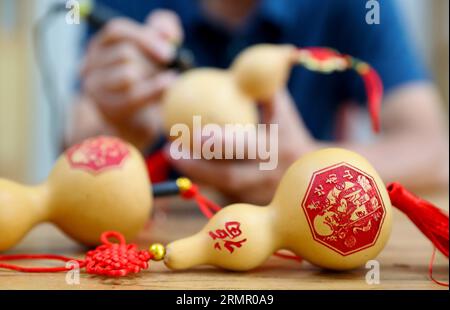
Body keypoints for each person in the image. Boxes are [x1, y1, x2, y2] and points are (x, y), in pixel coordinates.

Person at [67, 0, 448, 205]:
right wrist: (120, 127)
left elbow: (435, 152)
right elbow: (73, 147)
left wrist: (310, 166)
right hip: (158, 245)